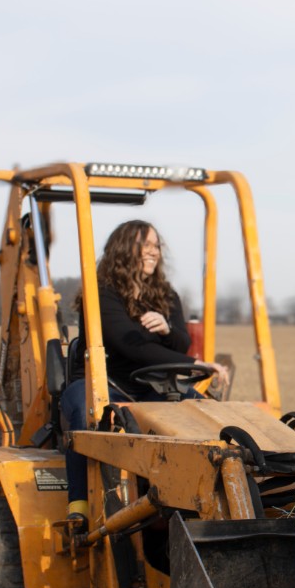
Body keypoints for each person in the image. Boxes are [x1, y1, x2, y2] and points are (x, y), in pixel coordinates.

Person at [61, 219, 228, 523]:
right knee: (87, 416)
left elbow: (180, 343)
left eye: (156, 246)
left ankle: (203, 497)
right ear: (125, 249)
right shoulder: (101, 294)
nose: (154, 253)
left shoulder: (165, 295)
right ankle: (79, 506)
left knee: (205, 413)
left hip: (153, 386)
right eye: (146, 246)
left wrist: (167, 328)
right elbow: (130, 346)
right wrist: (196, 365)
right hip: (101, 383)